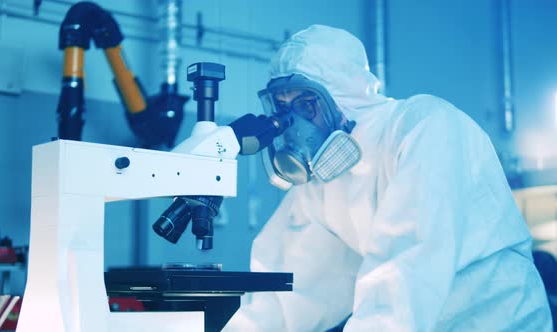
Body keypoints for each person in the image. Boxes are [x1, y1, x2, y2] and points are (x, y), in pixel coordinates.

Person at [224, 25, 553, 331]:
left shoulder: (424, 127)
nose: (294, 124)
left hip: (497, 319)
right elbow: (287, 291)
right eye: (283, 109)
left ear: (342, 98)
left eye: (305, 105)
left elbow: (406, 271)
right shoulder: (325, 178)